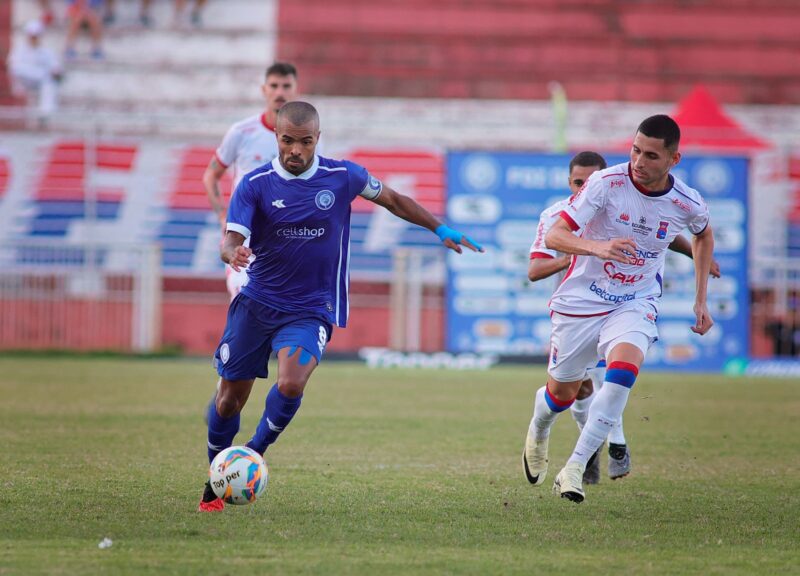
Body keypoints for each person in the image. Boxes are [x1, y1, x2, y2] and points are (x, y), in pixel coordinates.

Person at [198, 101, 484, 512]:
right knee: (228, 401)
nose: (295, 149)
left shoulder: (343, 176)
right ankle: (215, 479)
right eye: (287, 140)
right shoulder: (255, 184)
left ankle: (252, 453)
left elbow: (394, 199)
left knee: (292, 383)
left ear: (318, 138)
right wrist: (232, 254)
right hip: (257, 302)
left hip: (311, 307)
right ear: (276, 137)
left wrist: (439, 227)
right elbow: (230, 238)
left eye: (305, 141)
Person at [530, 115, 715, 504]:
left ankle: (574, 469)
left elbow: (702, 234)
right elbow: (556, 235)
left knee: (623, 373)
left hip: (635, 300)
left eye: (650, 155)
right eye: (635, 150)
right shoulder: (605, 183)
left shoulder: (688, 201)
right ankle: (540, 426)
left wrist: (701, 299)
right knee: (561, 394)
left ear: (673, 160)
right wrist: (600, 247)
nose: (638, 161)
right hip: (582, 302)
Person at [203, 62, 299, 300]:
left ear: (295, 90)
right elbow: (211, 175)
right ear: (264, 90)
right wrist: (222, 216)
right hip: (244, 234)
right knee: (244, 302)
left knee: (281, 310)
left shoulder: (305, 138)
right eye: (274, 86)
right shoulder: (242, 132)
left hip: (285, 236)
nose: (280, 92)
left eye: (286, 86)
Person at [8, 20, 62, 124]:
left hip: (40, 84)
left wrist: (52, 73)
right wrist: (43, 73)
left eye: (36, 36)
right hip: (23, 82)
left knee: (50, 83)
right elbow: (15, 68)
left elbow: (56, 69)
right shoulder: (19, 50)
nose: (34, 39)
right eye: (32, 36)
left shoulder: (46, 52)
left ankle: (45, 114)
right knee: (20, 70)